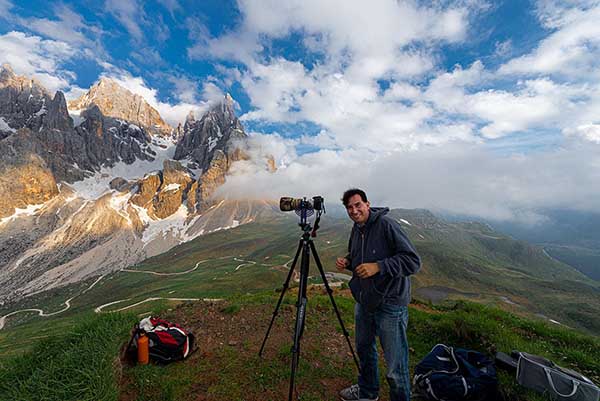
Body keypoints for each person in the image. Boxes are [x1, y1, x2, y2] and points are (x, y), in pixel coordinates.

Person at [337, 188, 421, 401]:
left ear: (367, 204)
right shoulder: (357, 228)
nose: (354, 211)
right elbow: (358, 256)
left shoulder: (387, 225)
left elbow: (412, 261)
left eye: (358, 205)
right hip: (365, 301)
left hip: (390, 304)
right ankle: (367, 392)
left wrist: (379, 267)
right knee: (365, 351)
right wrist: (348, 261)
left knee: (395, 366)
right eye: (349, 207)